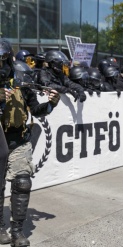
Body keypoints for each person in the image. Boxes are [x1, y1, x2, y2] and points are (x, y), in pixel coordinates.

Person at [0, 39, 60, 247]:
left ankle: (17, 232)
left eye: (3, 58)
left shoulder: (20, 79)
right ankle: (0, 228)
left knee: (22, 182)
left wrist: (51, 103)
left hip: (19, 140)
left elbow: (36, 110)